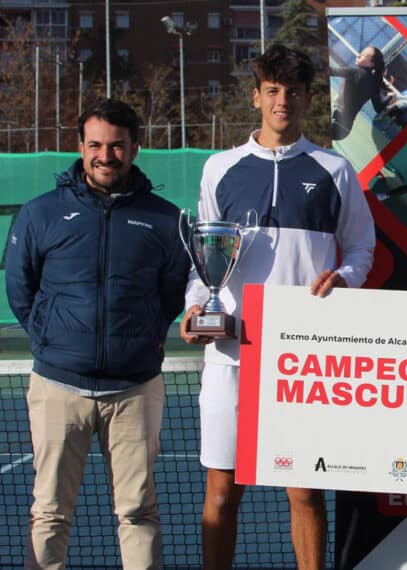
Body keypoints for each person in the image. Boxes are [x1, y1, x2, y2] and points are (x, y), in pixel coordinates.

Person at [180, 44, 375, 570]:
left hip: (304, 359)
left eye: (292, 92)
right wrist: (196, 308)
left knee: (305, 492)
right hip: (230, 356)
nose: (282, 101)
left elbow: (360, 247)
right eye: (272, 91)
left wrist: (347, 276)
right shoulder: (219, 168)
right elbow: (204, 260)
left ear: (308, 98)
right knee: (223, 491)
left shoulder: (334, 169)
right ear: (256, 97)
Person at [5, 98, 189, 568]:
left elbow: (172, 294)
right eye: (96, 145)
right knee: (49, 512)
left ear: (135, 148)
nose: (106, 155)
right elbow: (21, 288)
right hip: (57, 387)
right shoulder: (40, 213)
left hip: (134, 389)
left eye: (117, 146)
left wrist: (142, 340)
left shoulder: (166, 219)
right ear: (80, 147)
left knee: (139, 511)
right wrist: (53, 342)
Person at [330, 45, 389, 141]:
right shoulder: (374, 84)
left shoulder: (354, 72)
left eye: (364, 54)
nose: (359, 55)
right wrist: (390, 98)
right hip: (344, 131)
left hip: (334, 122)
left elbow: (329, 71)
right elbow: (379, 108)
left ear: (371, 64)